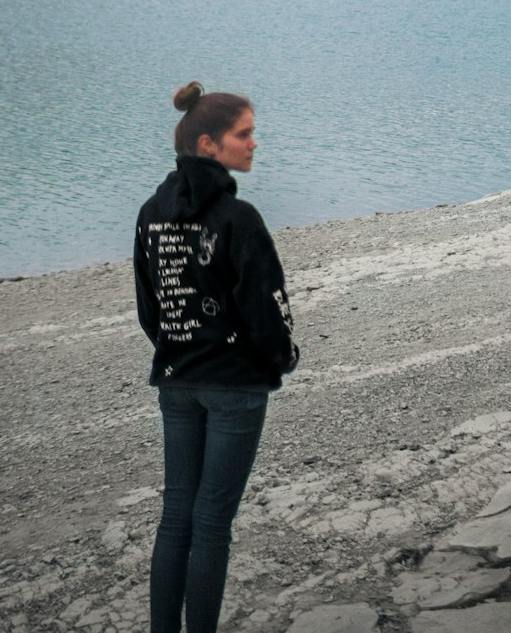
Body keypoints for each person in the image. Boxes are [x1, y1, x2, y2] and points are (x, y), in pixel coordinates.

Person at [135, 82, 298, 633]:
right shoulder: (239, 217)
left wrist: (180, 347)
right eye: (244, 134)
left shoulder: (150, 214)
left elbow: (149, 309)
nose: (255, 144)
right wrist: (280, 361)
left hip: (176, 382)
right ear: (208, 144)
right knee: (210, 525)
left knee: (175, 517)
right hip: (233, 388)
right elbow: (267, 309)